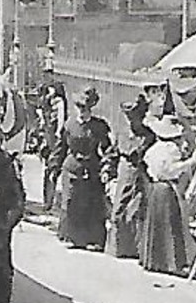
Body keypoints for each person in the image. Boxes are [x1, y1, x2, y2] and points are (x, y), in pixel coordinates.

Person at [47, 87, 113, 251]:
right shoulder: (69, 125)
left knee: (92, 204)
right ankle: (71, 236)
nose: (83, 112)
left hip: (91, 167)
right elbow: (60, 148)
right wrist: (54, 168)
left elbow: (108, 150)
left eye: (86, 108)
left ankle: (93, 238)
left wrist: (107, 167)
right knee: (71, 202)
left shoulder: (99, 127)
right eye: (80, 107)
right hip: (72, 167)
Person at [138, 115, 196, 278]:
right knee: (170, 225)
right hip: (166, 188)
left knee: (156, 224)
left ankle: (153, 260)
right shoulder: (170, 150)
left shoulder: (154, 149)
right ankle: (171, 263)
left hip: (155, 188)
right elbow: (172, 169)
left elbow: (149, 167)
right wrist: (190, 162)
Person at [105, 96, 153, 260]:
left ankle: (137, 250)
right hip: (124, 172)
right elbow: (113, 153)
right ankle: (118, 248)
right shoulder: (123, 133)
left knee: (138, 211)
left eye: (135, 117)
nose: (132, 120)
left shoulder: (149, 135)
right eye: (129, 117)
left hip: (141, 174)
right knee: (119, 210)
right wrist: (107, 169)